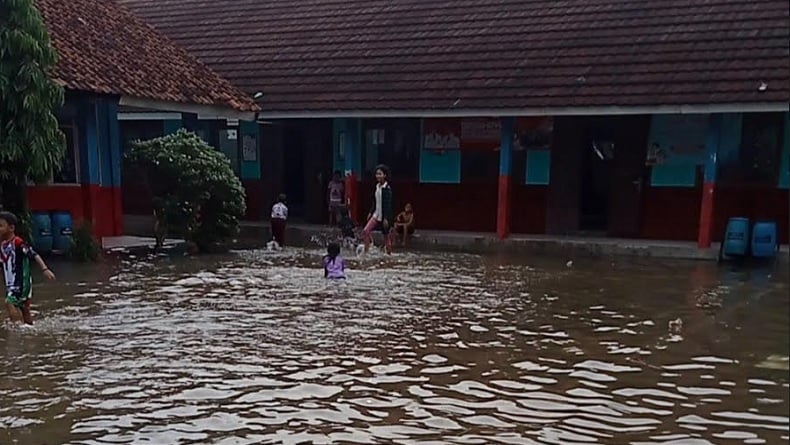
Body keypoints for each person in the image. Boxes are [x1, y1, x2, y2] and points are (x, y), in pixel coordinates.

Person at [0, 211, 56, 325]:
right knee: (25, 310)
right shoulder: (2, 245)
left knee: (9, 302)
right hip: (11, 282)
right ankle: (29, 330)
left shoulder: (18, 243)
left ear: (11, 228)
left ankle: (17, 330)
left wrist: (45, 269)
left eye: (0, 226)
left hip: (21, 281)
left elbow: (34, 254)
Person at [362, 164, 393, 255]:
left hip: (384, 216)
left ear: (385, 175)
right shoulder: (377, 187)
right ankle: (366, 252)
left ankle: (389, 255)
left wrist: (386, 218)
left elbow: (388, 205)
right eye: (377, 174)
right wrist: (371, 212)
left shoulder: (387, 189)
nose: (378, 176)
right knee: (366, 231)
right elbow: (375, 201)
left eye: (380, 174)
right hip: (376, 214)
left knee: (386, 236)